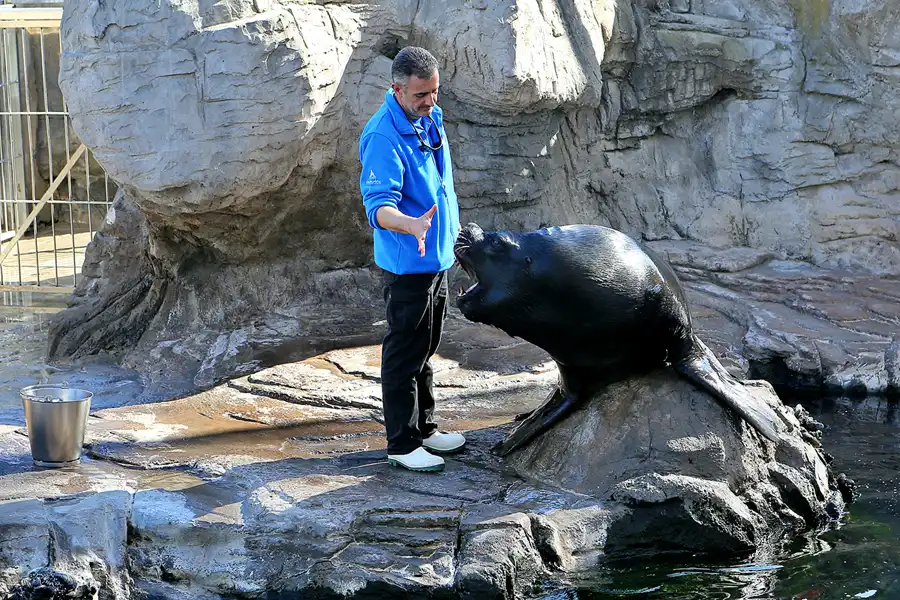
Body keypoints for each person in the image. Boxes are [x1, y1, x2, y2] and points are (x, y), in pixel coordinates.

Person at [358, 46, 466, 472]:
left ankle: (426, 428)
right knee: (404, 351)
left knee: (427, 345)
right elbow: (377, 205)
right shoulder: (382, 136)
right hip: (408, 262)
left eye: (435, 91)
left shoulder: (428, 118)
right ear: (397, 89)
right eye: (422, 94)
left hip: (436, 258)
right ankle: (401, 443)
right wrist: (411, 225)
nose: (430, 101)